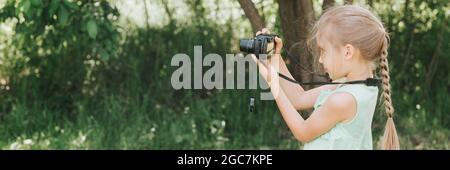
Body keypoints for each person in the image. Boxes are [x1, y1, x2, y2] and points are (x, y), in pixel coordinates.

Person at [252, 5, 399, 150]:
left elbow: (303, 132)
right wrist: (275, 58)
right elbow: (299, 98)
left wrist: (272, 83)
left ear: (348, 52)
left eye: (324, 51)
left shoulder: (343, 99)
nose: (321, 60)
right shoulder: (358, 86)